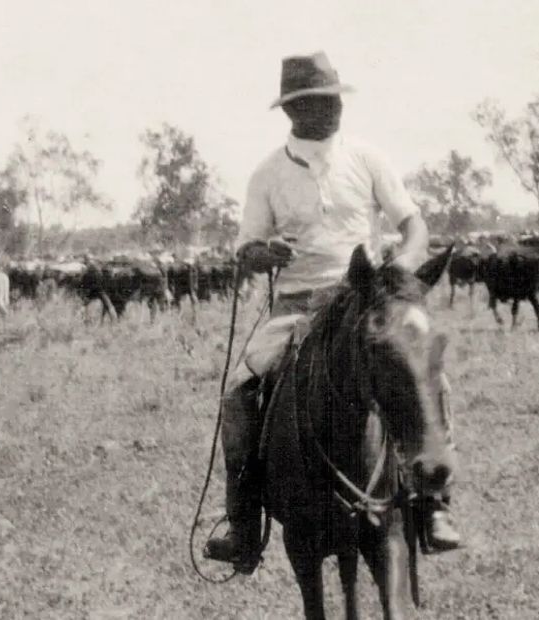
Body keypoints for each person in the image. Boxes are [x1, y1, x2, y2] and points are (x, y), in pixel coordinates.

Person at [203, 51, 461, 572]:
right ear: (292, 112)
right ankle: (242, 524)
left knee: (431, 378)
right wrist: (263, 254)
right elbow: (247, 247)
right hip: (297, 305)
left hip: (364, 297)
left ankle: (433, 505)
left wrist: (401, 268)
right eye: (318, 102)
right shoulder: (268, 174)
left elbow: (414, 227)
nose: (331, 109)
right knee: (237, 394)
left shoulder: (367, 158)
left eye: (334, 98)